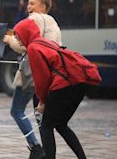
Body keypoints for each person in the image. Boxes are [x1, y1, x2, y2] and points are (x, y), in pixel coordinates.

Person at [13, 18, 87, 159]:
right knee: (60, 124)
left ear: (25, 33)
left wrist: (42, 102)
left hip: (64, 86)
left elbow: (42, 79)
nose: (17, 40)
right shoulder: (43, 42)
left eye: (18, 36)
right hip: (77, 83)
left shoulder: (33, 48)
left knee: (46, 126)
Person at [3, 0, 61, 159]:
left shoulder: (33, 20)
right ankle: (46, 152)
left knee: (17, 110)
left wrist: (9, 40)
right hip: (48, 75)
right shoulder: (54, 23)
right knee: (40, 115)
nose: (28, 6)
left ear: (43, 6)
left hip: (31, 74)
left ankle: (36, 148)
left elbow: (24, 47)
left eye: (32, 3)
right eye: (28, 3)